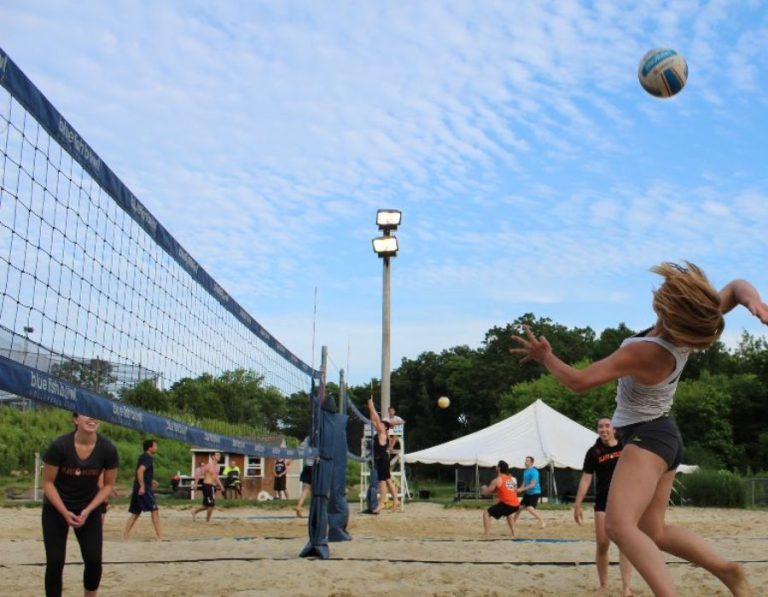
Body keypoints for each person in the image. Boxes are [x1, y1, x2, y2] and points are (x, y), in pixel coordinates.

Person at [511, 261, 766, 596]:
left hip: (647, 435)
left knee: (618, 525)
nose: (660, 290)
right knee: (653, 529)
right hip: (662, 435)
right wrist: (755, 303)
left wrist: (546, 358)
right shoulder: (687, 327)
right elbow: (734, 288)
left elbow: (578, 381)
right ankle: (726, 571)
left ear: (669, 309)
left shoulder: (646, 352)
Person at [42, 412, 119, 597]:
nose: (93, 418)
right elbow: (47, 483)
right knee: (55, 562)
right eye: (87, 414)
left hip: (87, 507)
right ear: (75, 419)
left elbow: (108, 486)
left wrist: (90, 509)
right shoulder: (59, 446)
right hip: (57, 508)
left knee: (94, 560)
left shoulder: (107, 449)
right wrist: (64, 512)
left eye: (95, 415)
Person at [575, 418, 633, 596]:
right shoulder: (594, 452)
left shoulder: (625, 445)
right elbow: (586, 478)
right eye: (600, 426)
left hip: (624, 499)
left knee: (625, 544)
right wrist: (577, 504)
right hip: (603, 501)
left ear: (614, 429)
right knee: (602, 544)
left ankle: (626, 588)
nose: (604, 429)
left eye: (607, 426)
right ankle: (603, 585)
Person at [123, 439, 163, 540]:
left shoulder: (144, 457)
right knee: (154, 510)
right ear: (150, 447)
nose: (156, 448)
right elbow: (140, 471)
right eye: (155, 446)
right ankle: (160, 536)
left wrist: (151, 480)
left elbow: (143, 473)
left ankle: (125, 536)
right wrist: (142, 486)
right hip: (143, 489)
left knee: (136, 513)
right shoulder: (147, 457)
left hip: (140, 487)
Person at [366, 398, 401, 513]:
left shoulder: (383, 433)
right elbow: (373, 420)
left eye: (381, 423)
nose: (379, 423)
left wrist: (372, 407)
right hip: (382, 459)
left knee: (382, 482)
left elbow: (376, 418)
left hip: (382, 459)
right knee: (388, 480)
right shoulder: (380, 432)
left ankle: (381, 504)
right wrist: (370, 409)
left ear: (385, 427)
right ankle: (396, 500)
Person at [481, 460, 521, 538]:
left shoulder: (497, 480)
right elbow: (506, 490)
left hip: (507, 504)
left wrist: (483, 489)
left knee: (486, 513)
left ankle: (487, 534)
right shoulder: (510, 479)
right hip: (516, 504)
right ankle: (514, 533)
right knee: (508, 513)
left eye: (497, 466)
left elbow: (487, 493)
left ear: (498, 468)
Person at [513, 455, 546, 529]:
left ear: (532, 462)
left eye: (527, 460)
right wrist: (519, 489)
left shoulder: (535, 472)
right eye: (526, 460)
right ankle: (512, 523)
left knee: (529, 508)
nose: (526, 461)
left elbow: (532, 485)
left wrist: (522, 489)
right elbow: (524, 483)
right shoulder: (525, 471)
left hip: (535, 492)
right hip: (527, 493)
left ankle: (543, 522)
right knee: (519, 508)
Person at [191, 452, 225, 522]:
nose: (219, 456)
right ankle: (208, 520)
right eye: (217, 455)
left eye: (219, 455)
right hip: (207, 485)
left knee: (207, 505)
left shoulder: (218, 467)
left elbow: (216, 477)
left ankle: (194, 511)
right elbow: (199, 474)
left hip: (213, 486)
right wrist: (195, 484)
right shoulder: (208, 465)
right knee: (211, 504)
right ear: (213, 457)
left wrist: (221, 485)